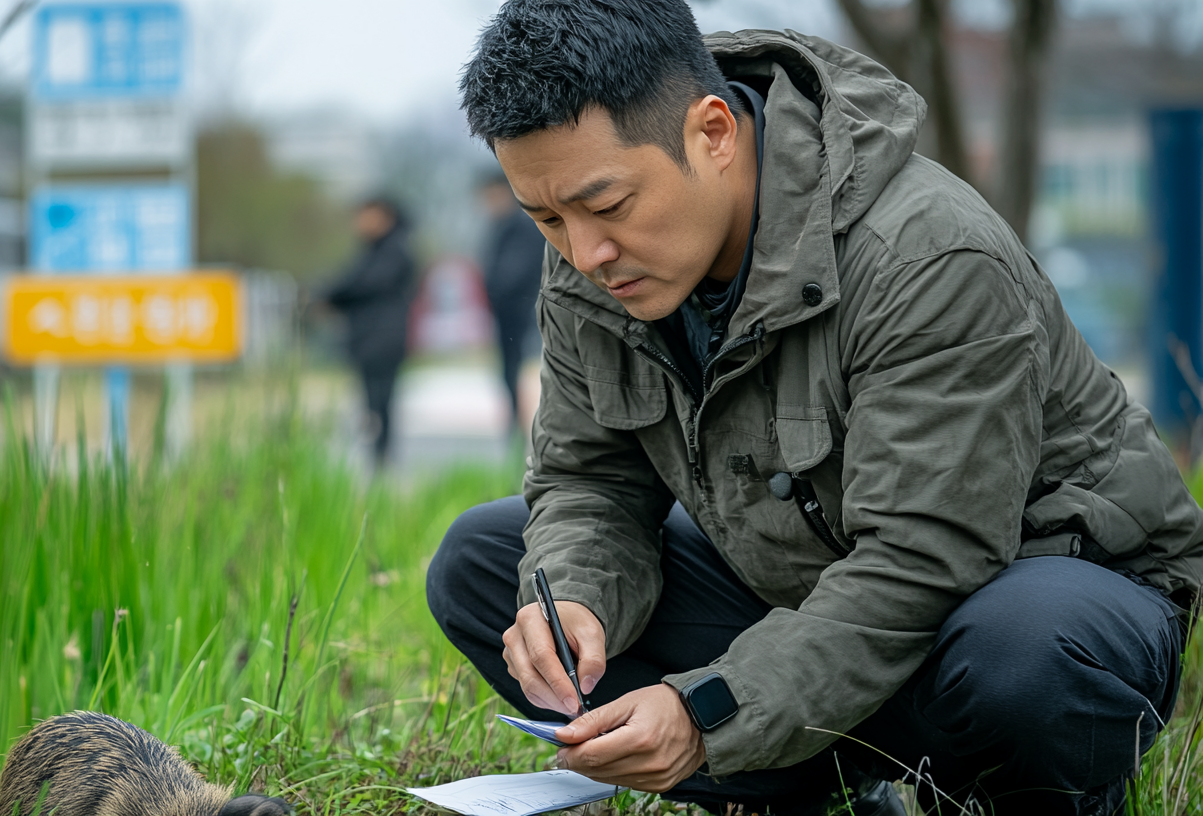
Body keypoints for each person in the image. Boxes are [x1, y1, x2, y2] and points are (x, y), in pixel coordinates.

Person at [425, 2, 1203, 815]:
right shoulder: (595, 269)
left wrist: (708, 713)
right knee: (483, 560)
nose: (585, 253)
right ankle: (808, 785)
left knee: (1026, 654)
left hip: (1024, 599)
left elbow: (922, 560)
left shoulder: (928, 256)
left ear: (714, 133)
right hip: (809, 590)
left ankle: (1006, 788)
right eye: (547, 219)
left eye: (608, 206)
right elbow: (592, 481)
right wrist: (576, 596)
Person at [325, 196, 416, 466]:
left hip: (384, 337)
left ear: (385, 216)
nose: (360, 223)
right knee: (371, 401)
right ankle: (378, 456)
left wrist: (331, 296)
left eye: (367, 215)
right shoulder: (371, 250)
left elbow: (361, 284)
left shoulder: (396, 251)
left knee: (381, 400)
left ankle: (382, 458)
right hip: (368, 337)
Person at [479, 171, 548, 437]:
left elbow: (516, 271)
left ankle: (527, 427)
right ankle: (516, 425)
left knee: (526, 371)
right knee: (509, 372)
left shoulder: (523, 225)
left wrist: (493, 286)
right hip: (507, 314)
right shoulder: (498, 226)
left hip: (524, 312)